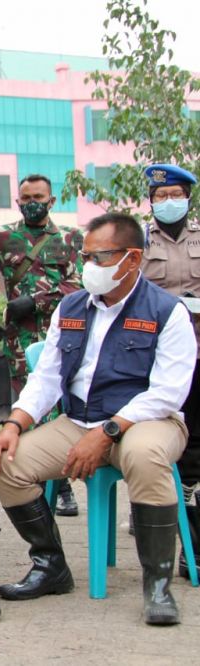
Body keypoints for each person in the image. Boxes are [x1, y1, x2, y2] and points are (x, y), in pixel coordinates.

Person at [0, 212, 197, 625]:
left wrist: (108, 432)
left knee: (144, 455)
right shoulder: (71, 306)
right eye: (85, 257)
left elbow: (168, 392)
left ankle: (157, 585)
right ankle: (51, 566)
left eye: (99, 258)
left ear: (132, 259)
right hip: (79, 421)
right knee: (6, 461)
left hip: (147, 423)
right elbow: (46, 377)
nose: (88, 268)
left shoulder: (167, 312)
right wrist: (13, 425)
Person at [0, 174, 84, 517]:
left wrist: (39, 300)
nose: (32, 202)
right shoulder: (1, 238)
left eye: (38, 196)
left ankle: (64, 486)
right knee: (27, 408)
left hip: (62, 337)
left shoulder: (72, 239)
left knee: (58, 408)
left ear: (52, 200)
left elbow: (82, 287)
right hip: (18, 340)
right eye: (25, 197)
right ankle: (36, 484)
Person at [140, 163, 200, 575]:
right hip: (157, 356)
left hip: (199, 354)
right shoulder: (140, 244)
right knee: (166, 435)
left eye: (175, 194)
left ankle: (191, 535)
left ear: (188, 197)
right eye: (160, 197)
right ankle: (169, 517)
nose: (168, 202)